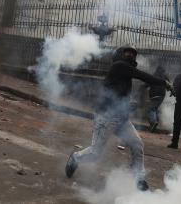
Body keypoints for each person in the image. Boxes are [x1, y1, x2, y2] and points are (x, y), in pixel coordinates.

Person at [65, 45, 174, 191]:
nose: (130, 55)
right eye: (127, 52)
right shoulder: (119, 66)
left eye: (133, 54)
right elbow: (142, 75)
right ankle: (75, 158)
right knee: (95, 153)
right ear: (119, 54)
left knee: (137, 145)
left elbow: (117, 94)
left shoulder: (125, 73)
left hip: (121, 119)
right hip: (106, 117)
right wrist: (164, 82)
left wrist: (128, 105)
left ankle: (139, 179)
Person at [147, 65, 168, 132]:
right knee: (155, 108)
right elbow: (168, 84)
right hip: (162, 95)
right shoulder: (165, 76)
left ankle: (154, 121)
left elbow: (147, 83)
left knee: (151, 109)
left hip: (154, 94)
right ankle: (154, 125)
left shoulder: (154, 75)